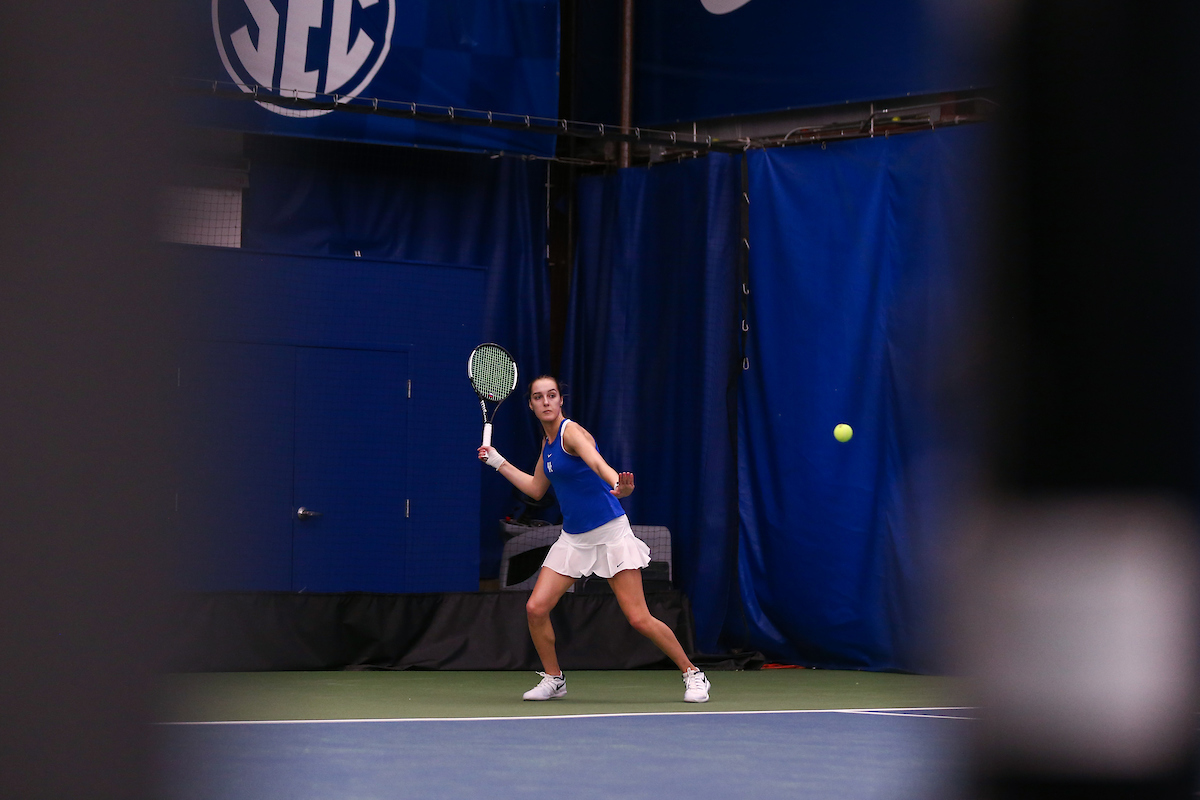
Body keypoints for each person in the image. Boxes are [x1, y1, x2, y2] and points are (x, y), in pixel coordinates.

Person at [478, 375, 710, 703]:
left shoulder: (571, 432)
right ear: (530, 405)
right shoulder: (547, 445)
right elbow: (536, 489)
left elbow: (598, 463)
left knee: (638, 618)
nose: (546, 402)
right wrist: (498, 462)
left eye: (552, 395)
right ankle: (554, 679)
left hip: (609, 533)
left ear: (561, 400)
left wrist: (618, 484)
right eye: (538, 397)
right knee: (536, 608)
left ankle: (693, 673)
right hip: (573, 539)